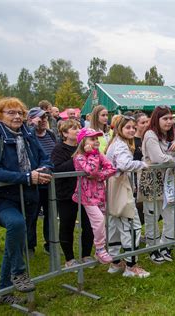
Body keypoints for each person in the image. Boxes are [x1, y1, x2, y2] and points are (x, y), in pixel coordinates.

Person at [0, 97, 52, 304]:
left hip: (29, 197)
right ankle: (19, 272)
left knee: (16, 242)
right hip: (5, 197)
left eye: (20, 113)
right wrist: (27, 177)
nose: (17, 117)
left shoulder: (27, 135)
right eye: (11, 113)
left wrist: (45, 169)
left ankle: (3, 293)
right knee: (16, 224)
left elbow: (45, 157)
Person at [141, 106, 175, 264]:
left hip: (169, 181)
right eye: (165, 118)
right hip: (151, 179)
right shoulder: (150, 135)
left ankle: (166, 245)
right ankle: (153, 248)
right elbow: (158, 158)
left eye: (171, 118)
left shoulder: (173, 134)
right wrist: (174, 160)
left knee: (173, 213)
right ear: (157, 119)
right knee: (152, 215)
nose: (169, 121)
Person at [105, 115, 150, 278]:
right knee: (132, 226)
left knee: (115, 225)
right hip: (120, 189)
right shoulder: (121, 146)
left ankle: (116, 262)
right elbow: (124, 164)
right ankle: (131, 267)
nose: (131, 130)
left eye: (133, 127)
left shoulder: (115, 143)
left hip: (113, 188)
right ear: (119, 129)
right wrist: (142, 165)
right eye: (127, 127)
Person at [51, 120, 95, 268]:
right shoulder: (59, 149)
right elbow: (58, 169)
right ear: (64, 133)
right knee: (67, 225)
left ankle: (86, 255)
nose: (77, 130)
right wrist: (78, 157)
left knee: (88, 224)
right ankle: (69, 258)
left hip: (85, 191)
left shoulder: (83, 147)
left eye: (79, 128)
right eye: (73, 128)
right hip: (67, 194)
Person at [72, 128, 116, 264]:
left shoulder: (98, 155)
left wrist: (99, 176)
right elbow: (90, 169)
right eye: (92, 139)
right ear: (83, 141)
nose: (96, 141)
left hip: (100, 193)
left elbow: (111, 168)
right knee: (98, 221)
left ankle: (102, 247)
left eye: (97, 139)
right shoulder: (79, 156)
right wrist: (92, 154)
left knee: (102, 220)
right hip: (86, 195)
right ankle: (100, 248)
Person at [27, 107, 57, 255]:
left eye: (45, 117)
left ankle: (50, 243)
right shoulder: (29, 135)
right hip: (35, 181)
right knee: (32, 215)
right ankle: (30, 245)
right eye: (40, 118)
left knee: (51, 215)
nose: (44, 120)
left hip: (50, 181)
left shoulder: (51, 135)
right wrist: (32, 126)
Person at [133, 112, 149, 225]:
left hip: (148, 177)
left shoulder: (148, 138)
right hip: (135, 178)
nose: (146, 124)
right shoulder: (132, 140)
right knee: (138, 207)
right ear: (136, 125)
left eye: (147, 122)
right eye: (143, 122)